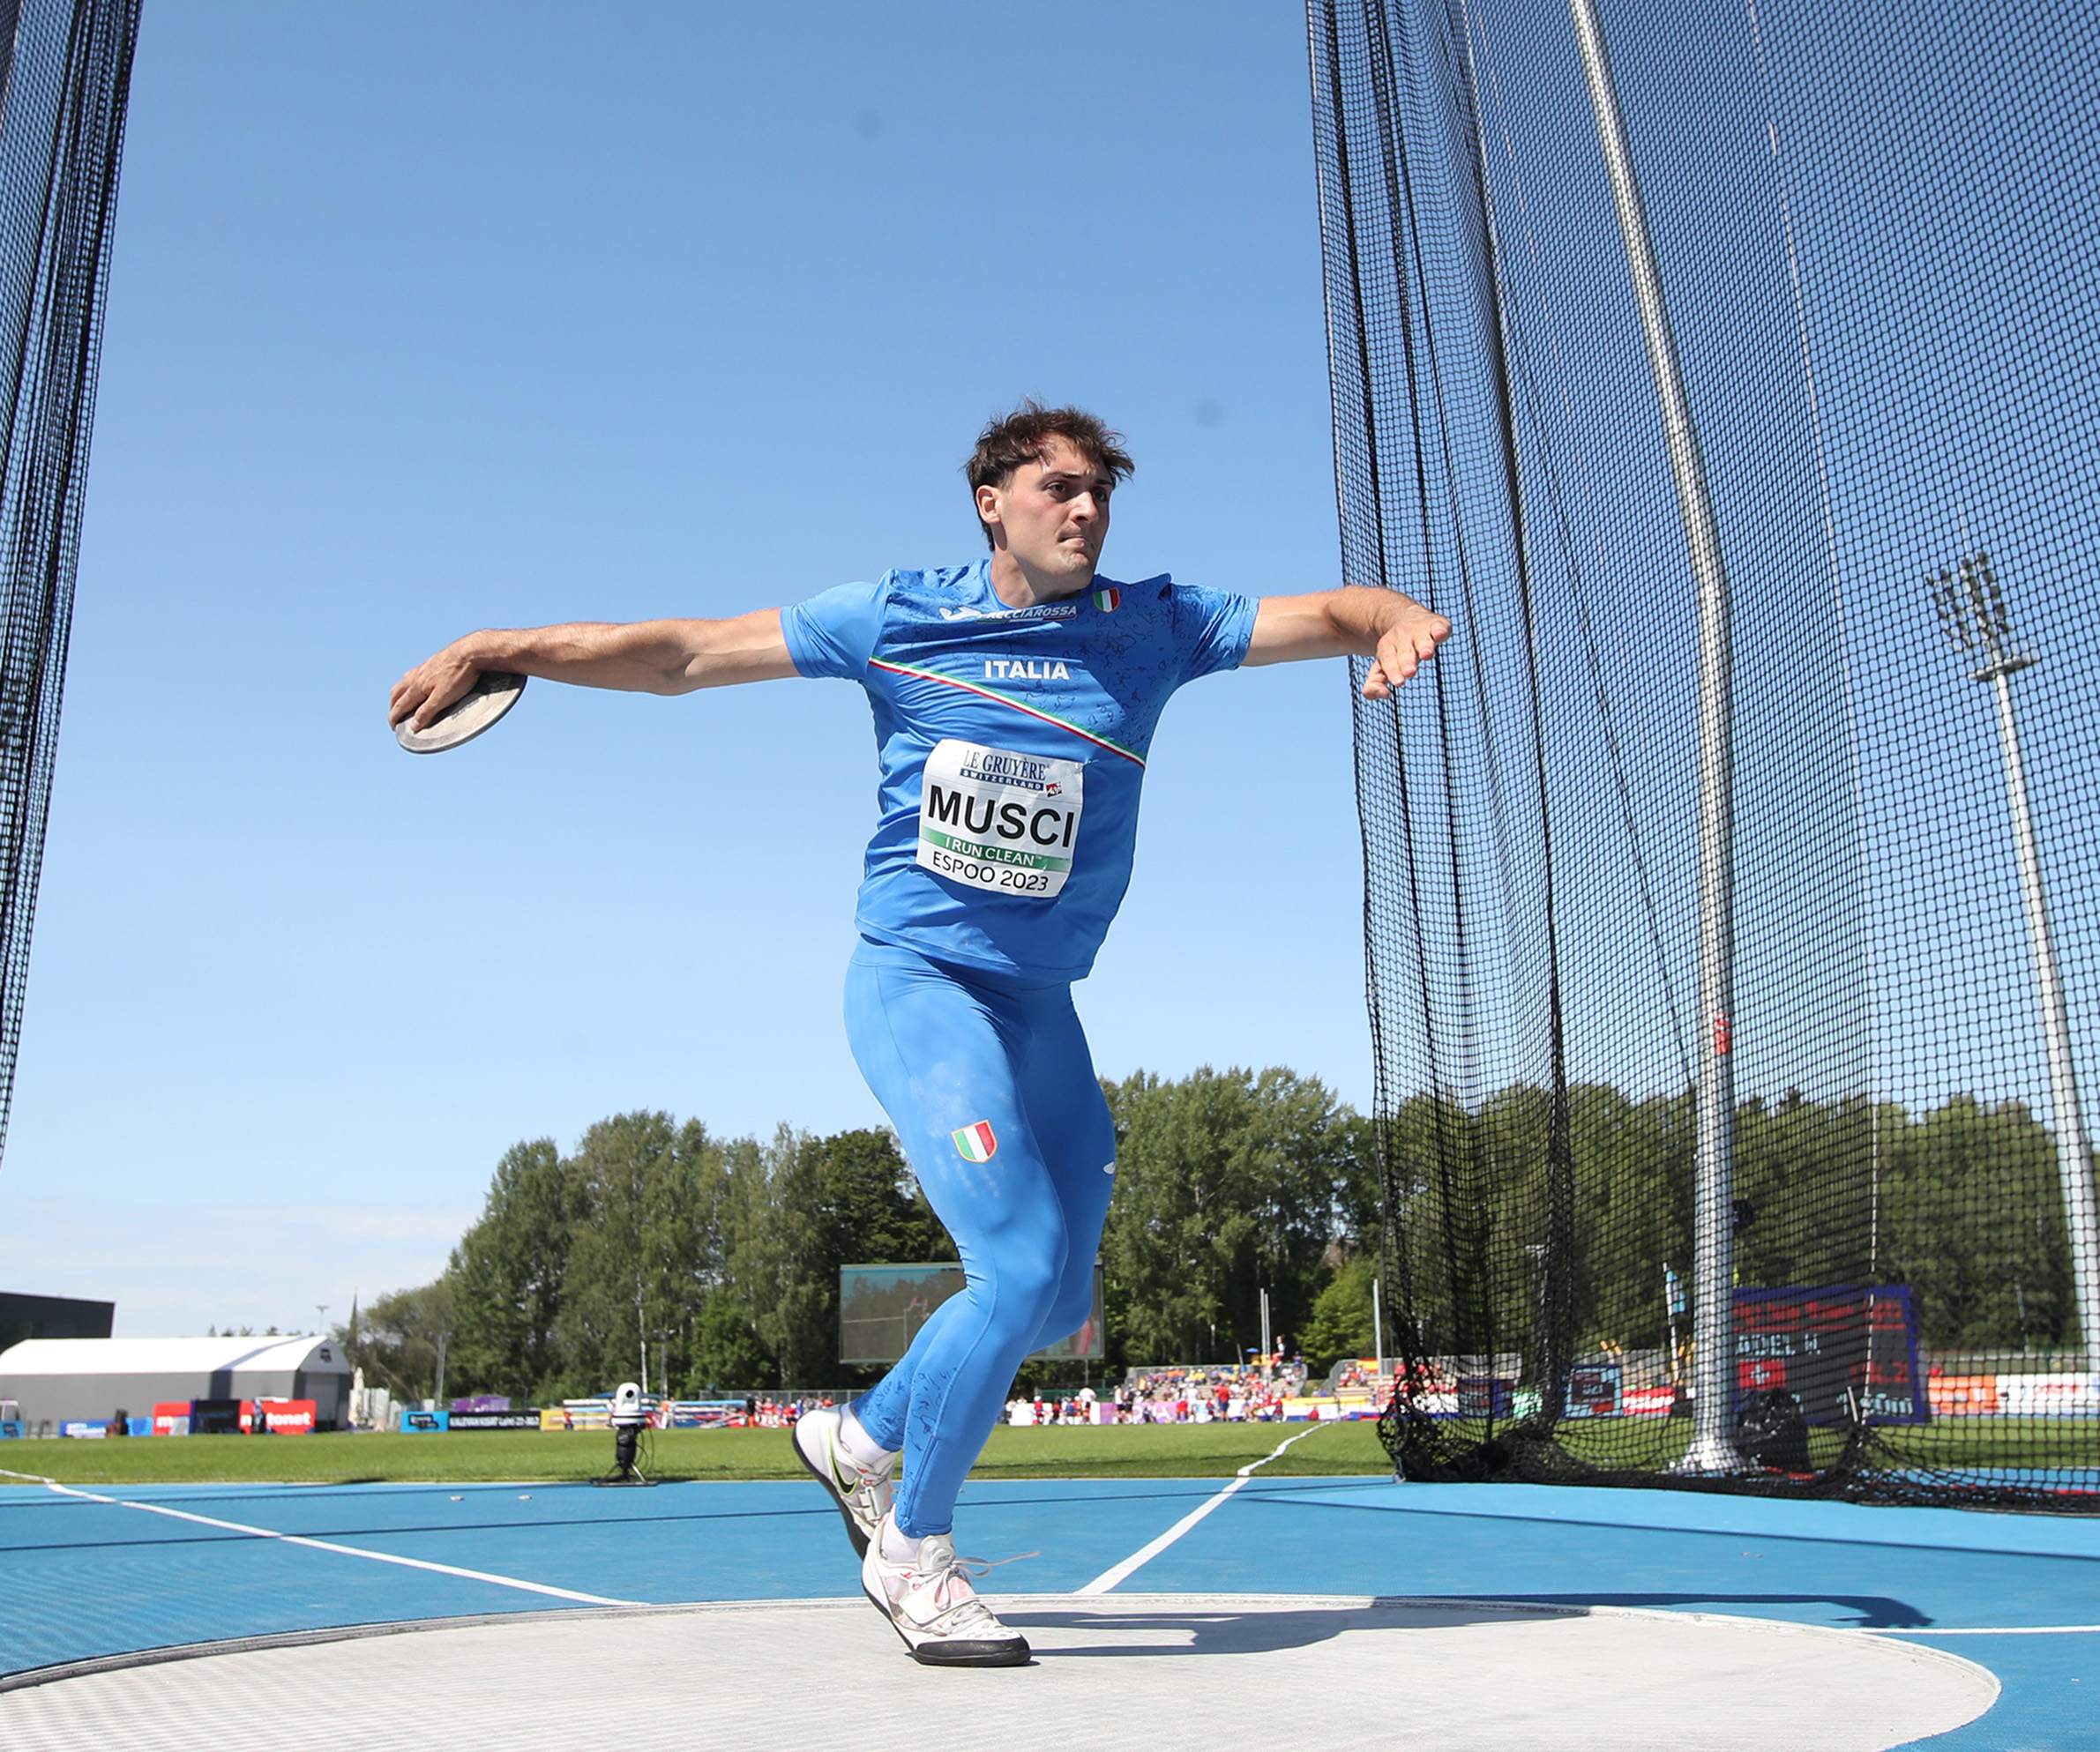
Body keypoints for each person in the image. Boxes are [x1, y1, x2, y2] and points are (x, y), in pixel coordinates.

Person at [390, 402, 1449, 1666]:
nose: (1086, 510)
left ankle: (856, 1438)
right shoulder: (896, 616)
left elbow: (1326, 613)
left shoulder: (1154, 626)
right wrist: (500, 644)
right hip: (919, 981)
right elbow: (681, 656)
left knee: (1060, 1295)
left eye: (1102, 493)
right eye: (1059, 488)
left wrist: (1391, 617)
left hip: (1039, 1004)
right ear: (991, 502)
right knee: (1016, 1265)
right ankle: (913, 1549)